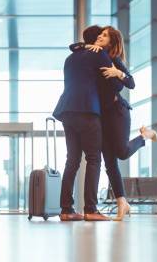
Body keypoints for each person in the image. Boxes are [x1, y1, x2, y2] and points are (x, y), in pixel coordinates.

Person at [70, 25, 157, 221]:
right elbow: (74, 47)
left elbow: (131, 83)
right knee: (109, 162)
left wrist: (118, 73)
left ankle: (145, 135)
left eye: (105, 36)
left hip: (118, 112)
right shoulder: (93, 53)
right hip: (100, 116)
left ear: (112, 42)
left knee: (122, 153)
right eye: (100, 35)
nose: (101, 37)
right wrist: (86, 45)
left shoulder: (114, 59)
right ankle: (122, 202)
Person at [52, 25, 123, 222]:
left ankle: (66, 209)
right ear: (95, 40)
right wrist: (118, 73)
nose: (102, 38)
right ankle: (90, 209)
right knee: (94, 158)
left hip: (66, 110)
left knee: (72, 160)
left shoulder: (70, 58)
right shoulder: (98, 54)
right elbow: (116, 85)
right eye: (100, 35)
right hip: (86, 110)